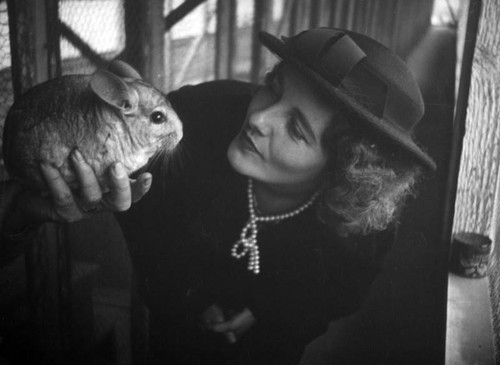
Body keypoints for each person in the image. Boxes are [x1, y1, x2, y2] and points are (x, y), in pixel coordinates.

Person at [0, 28, 435, 364]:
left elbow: (337, 295)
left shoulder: (362, 226)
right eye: (273, 87)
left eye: (297, 129)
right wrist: (30, 204)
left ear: (344, 172)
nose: (261, 116)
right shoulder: (203, 114)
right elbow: (122, 142)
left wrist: (265, 313)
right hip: (169, 324)